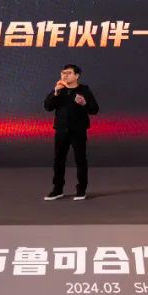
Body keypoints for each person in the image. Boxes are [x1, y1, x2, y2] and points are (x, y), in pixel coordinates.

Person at [43, 64, 99, 201]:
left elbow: (94, 110)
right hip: (61, 130)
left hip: (78, 130)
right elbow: (47, 107)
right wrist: (55, 93)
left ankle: (81, 190)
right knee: (59, 160)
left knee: (80, 160)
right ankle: (57, 190)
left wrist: (84, 103)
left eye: (68, 73)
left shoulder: (84, 90)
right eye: (63, 73)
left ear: (77, 75)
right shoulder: (59, 89)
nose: (65, 75)